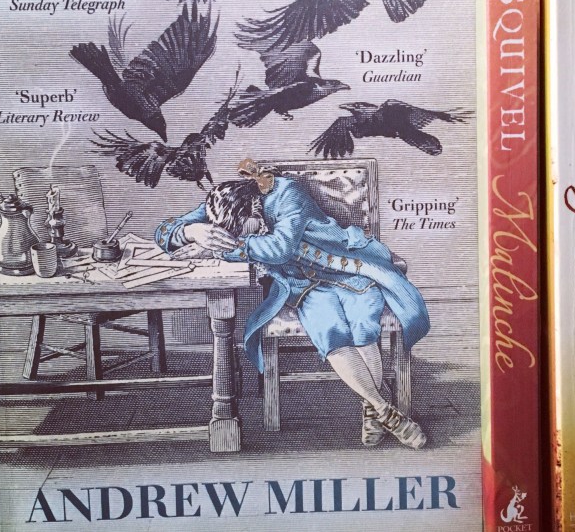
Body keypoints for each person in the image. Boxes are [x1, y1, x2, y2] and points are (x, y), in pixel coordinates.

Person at [155, 158, 431, 449]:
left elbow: (279, 248)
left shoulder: (288, 193)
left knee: (364, 326)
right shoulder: (225, 201)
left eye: (242, 231)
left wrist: (220, 249)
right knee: (330, 333)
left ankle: (371, 410)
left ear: (254, 209)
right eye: (232, 236)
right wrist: (191, 232)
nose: (239, 237)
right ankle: (385, 411)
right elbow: (163, 230)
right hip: (304, 287)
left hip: (351, 269)